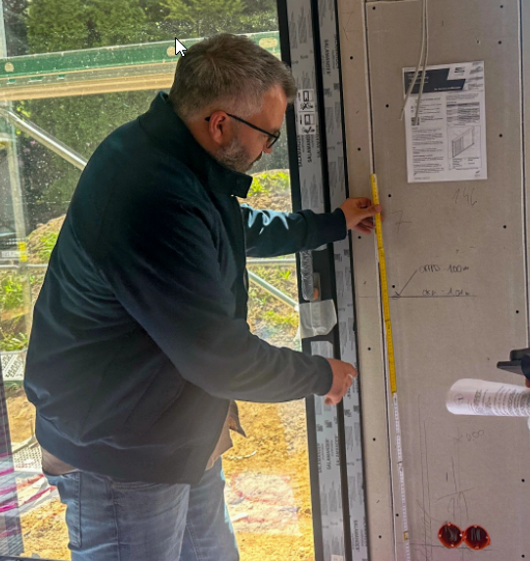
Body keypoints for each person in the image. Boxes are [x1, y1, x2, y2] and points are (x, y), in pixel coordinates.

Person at [24, 32, 376, 561]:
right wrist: (320, 374)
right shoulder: (149, 192)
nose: (266, 151)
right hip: (119, 455)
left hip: (171, 433)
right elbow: (221, 358)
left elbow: (234, 225)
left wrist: (330, 224)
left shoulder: (177, 161)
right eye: (268, 137)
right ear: (219, 123)